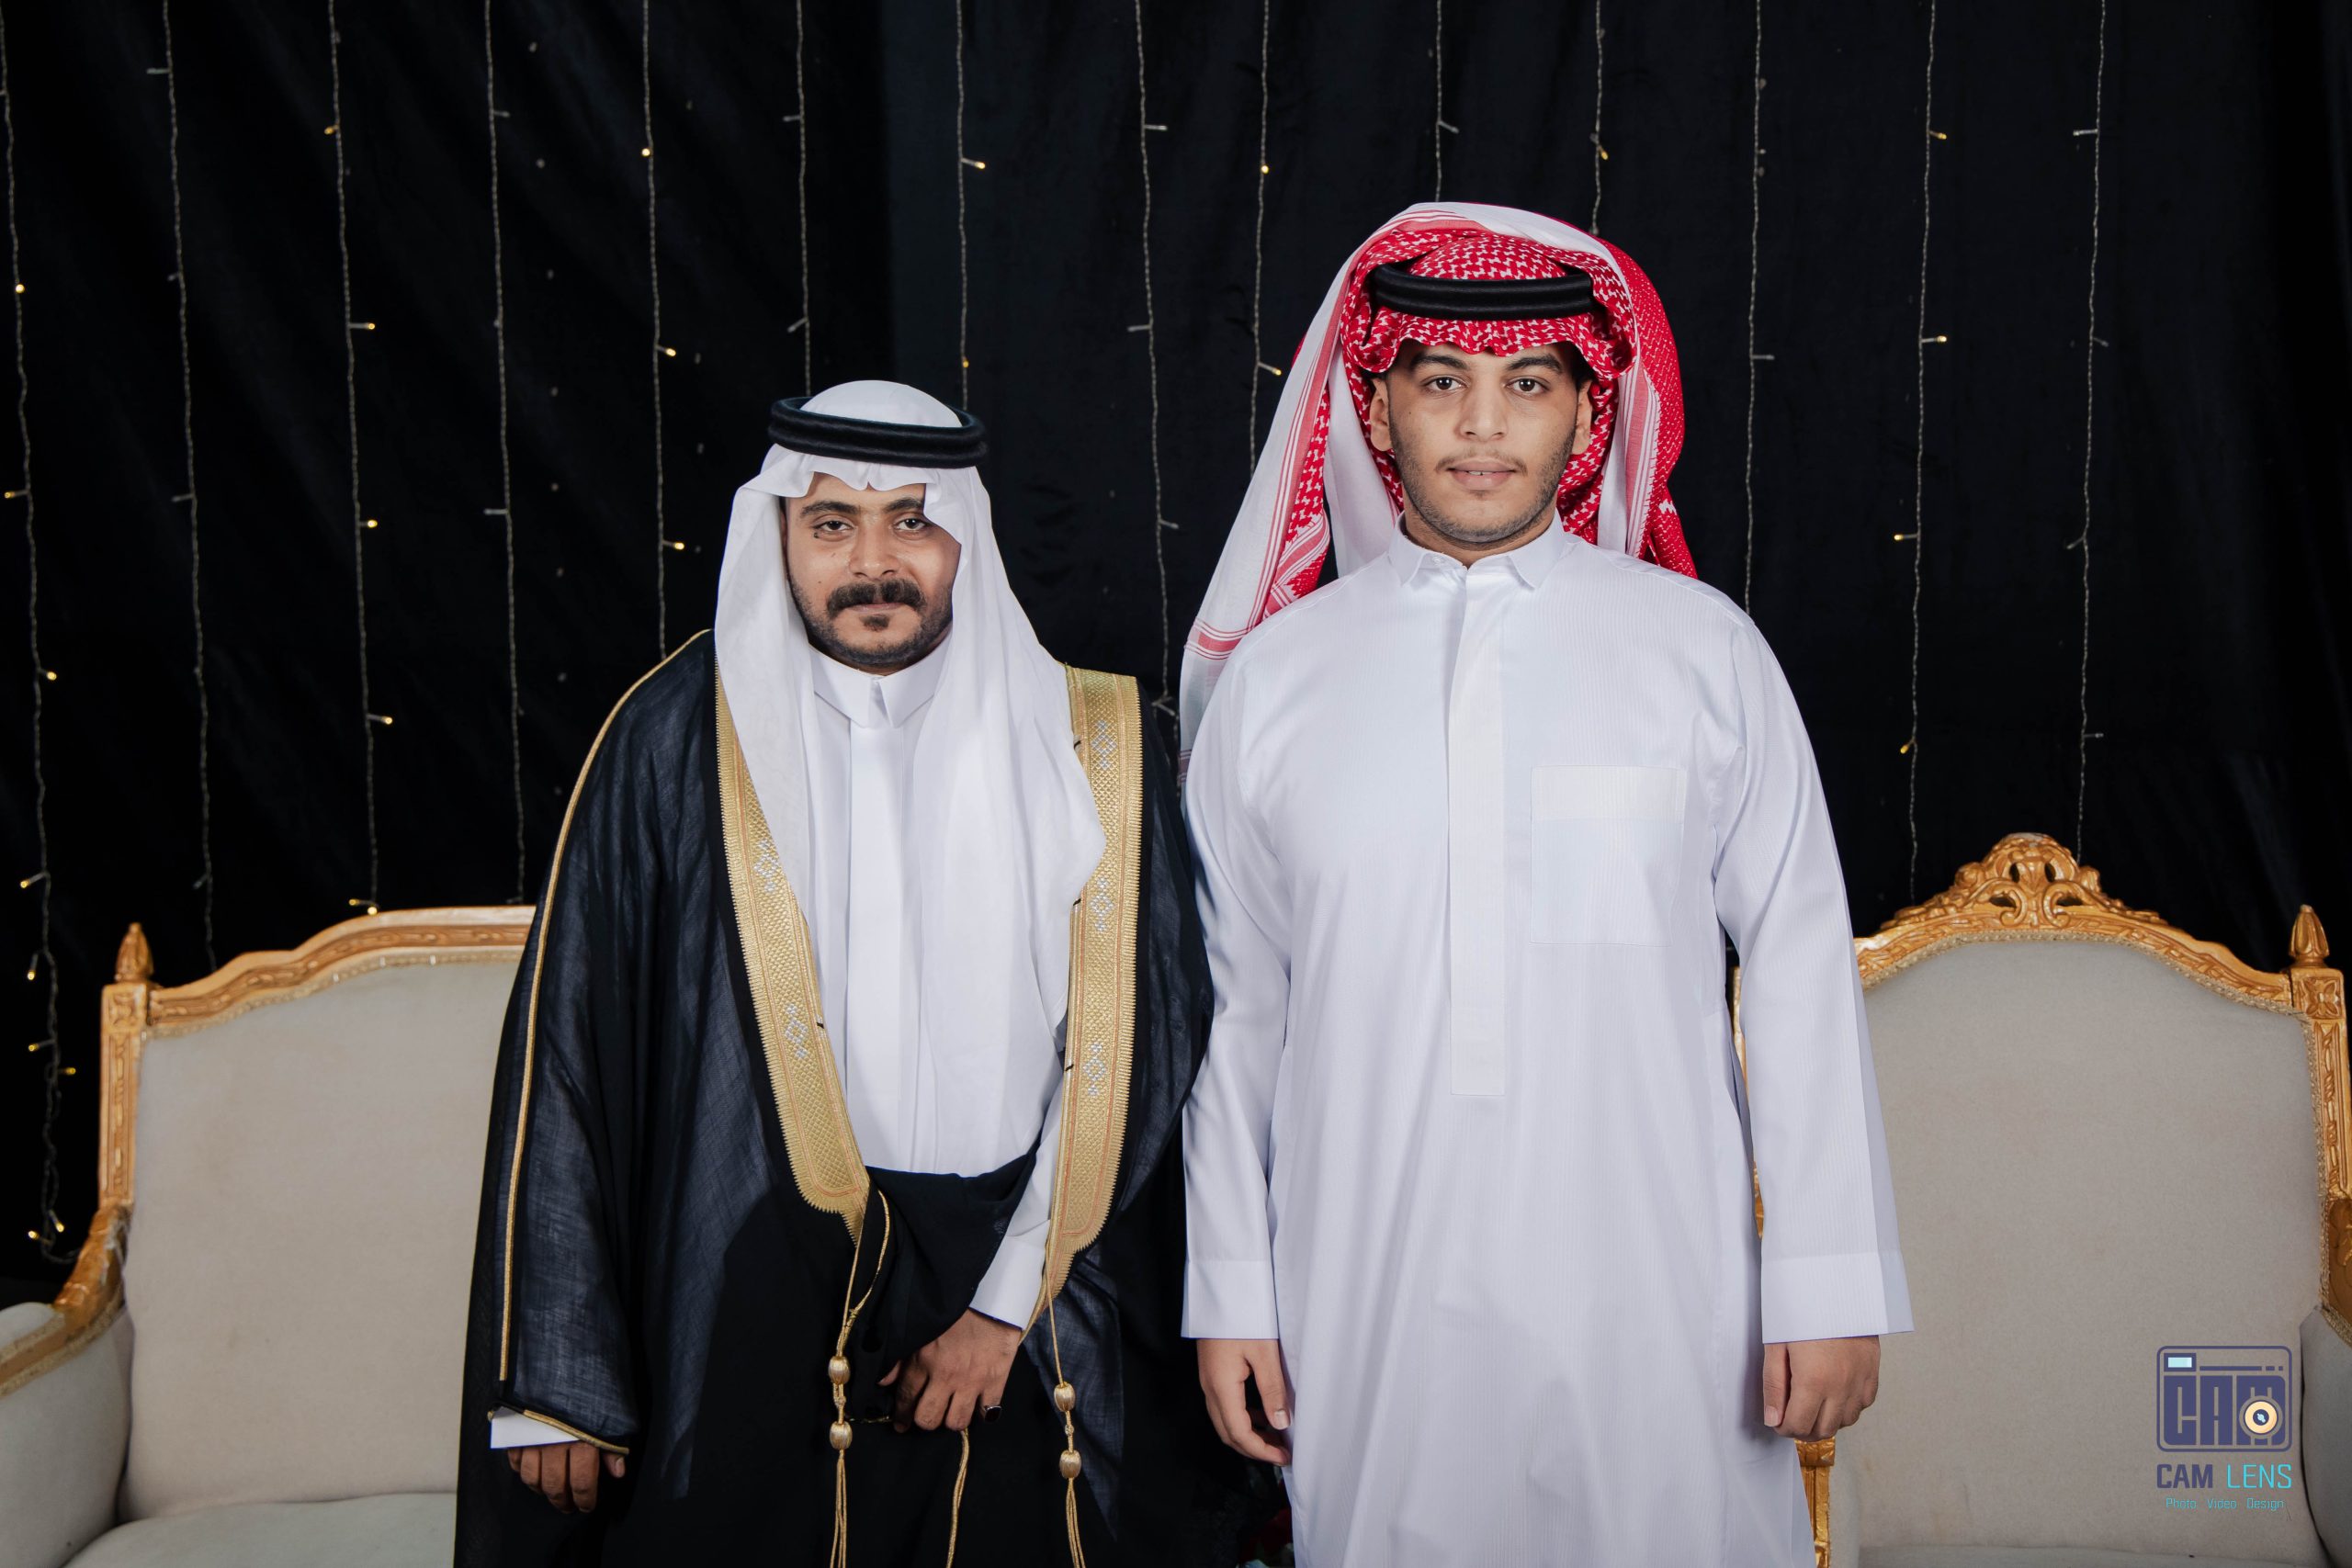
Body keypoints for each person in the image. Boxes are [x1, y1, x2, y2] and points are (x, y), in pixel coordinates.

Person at [1177, 204, 1912, 1566]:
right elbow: (1236, 1014)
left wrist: (1827, 1279)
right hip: (1365, 1270)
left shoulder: (1702, 653)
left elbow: (1802, 970)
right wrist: (1229, 1288)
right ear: (1376, 407)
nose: (1482, 425)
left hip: (1659, 1276)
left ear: (1585, 415)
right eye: (1440, 381)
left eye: (1528, 384)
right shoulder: (1276, 683)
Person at [456, 381, 1249, 1565]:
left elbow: (1151, 1047)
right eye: (832, 524)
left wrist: (997, 1310)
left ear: (965, 536)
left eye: (911, 521)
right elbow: (569, 1053)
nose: (874, 563)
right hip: (764, 1281)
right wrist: (554, 1377)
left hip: (1033, 1291)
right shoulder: (675, 738)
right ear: (780, 532)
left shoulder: (1101, 740)